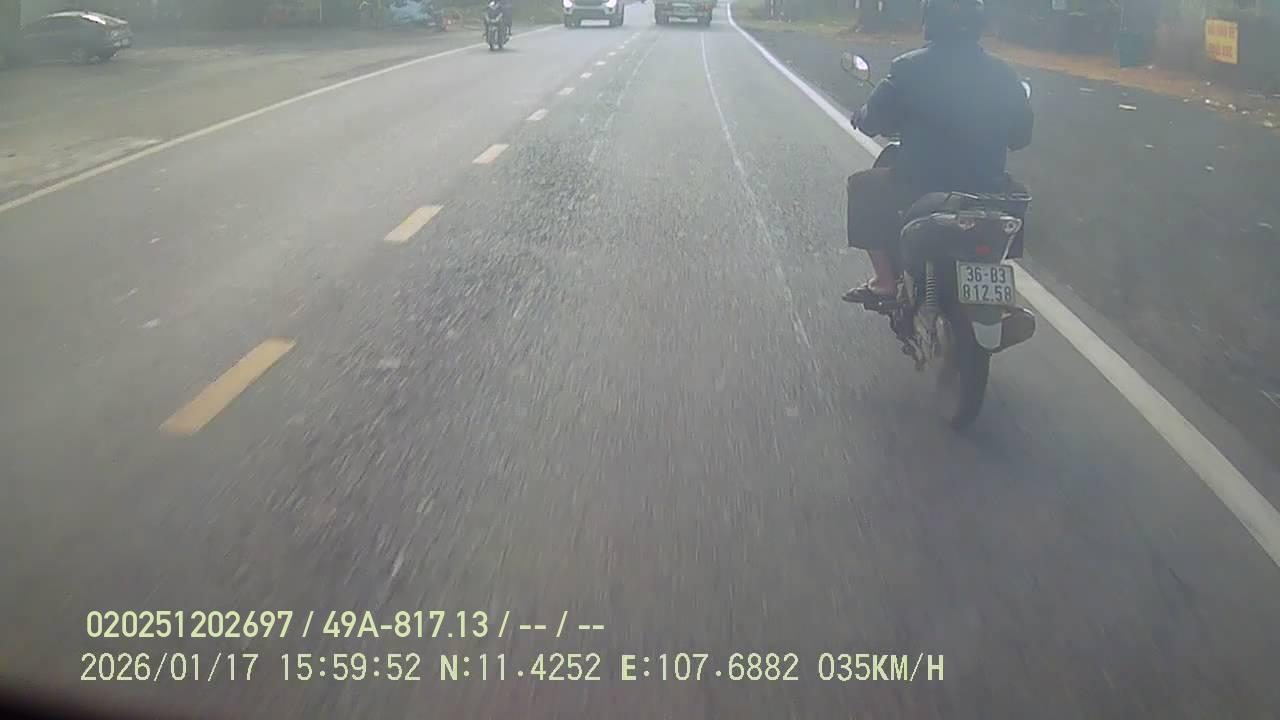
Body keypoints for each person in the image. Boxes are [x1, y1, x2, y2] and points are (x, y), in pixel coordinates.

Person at [841, 0, 1033, 304]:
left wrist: (861, 116)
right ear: (979, 25)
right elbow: (1021, 137)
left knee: (862, 186)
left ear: (929, 21)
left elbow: (873, 121)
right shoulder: (1005, 74)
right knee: (1017, 197)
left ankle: (885, 281)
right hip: (988, 189)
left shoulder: (908, 67)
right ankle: (990, 273)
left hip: (921, 186)